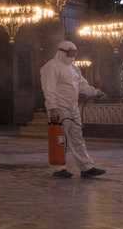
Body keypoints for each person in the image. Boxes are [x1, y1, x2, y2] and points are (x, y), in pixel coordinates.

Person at [40, 40, 106, 179]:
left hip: (73, 108)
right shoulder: (51, 67)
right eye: (70, 53)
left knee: (78, 138)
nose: (73, 56)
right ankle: (59, 168)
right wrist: (52, 108)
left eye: (74, 53)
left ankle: (86, 167)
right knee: (60, 139)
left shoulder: (74, 68)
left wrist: (95, 92)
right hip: (59, 109)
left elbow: (82, 85)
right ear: (61, 52)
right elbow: (49, 89)